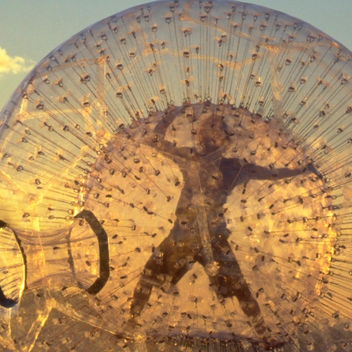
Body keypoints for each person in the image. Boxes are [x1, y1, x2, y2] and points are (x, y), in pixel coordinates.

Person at [125, 103, 321, 345]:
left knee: (239, 288)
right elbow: (154, 141)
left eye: (222, 130)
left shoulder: (230, 166)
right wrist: (171, 115)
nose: (221, 135)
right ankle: (130, 322)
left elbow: (271, 173)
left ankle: (265, 334)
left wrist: (302, 169)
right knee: (150, 276)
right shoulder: (194, 159)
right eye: (217, 130)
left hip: (203, 238)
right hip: (186, 236)